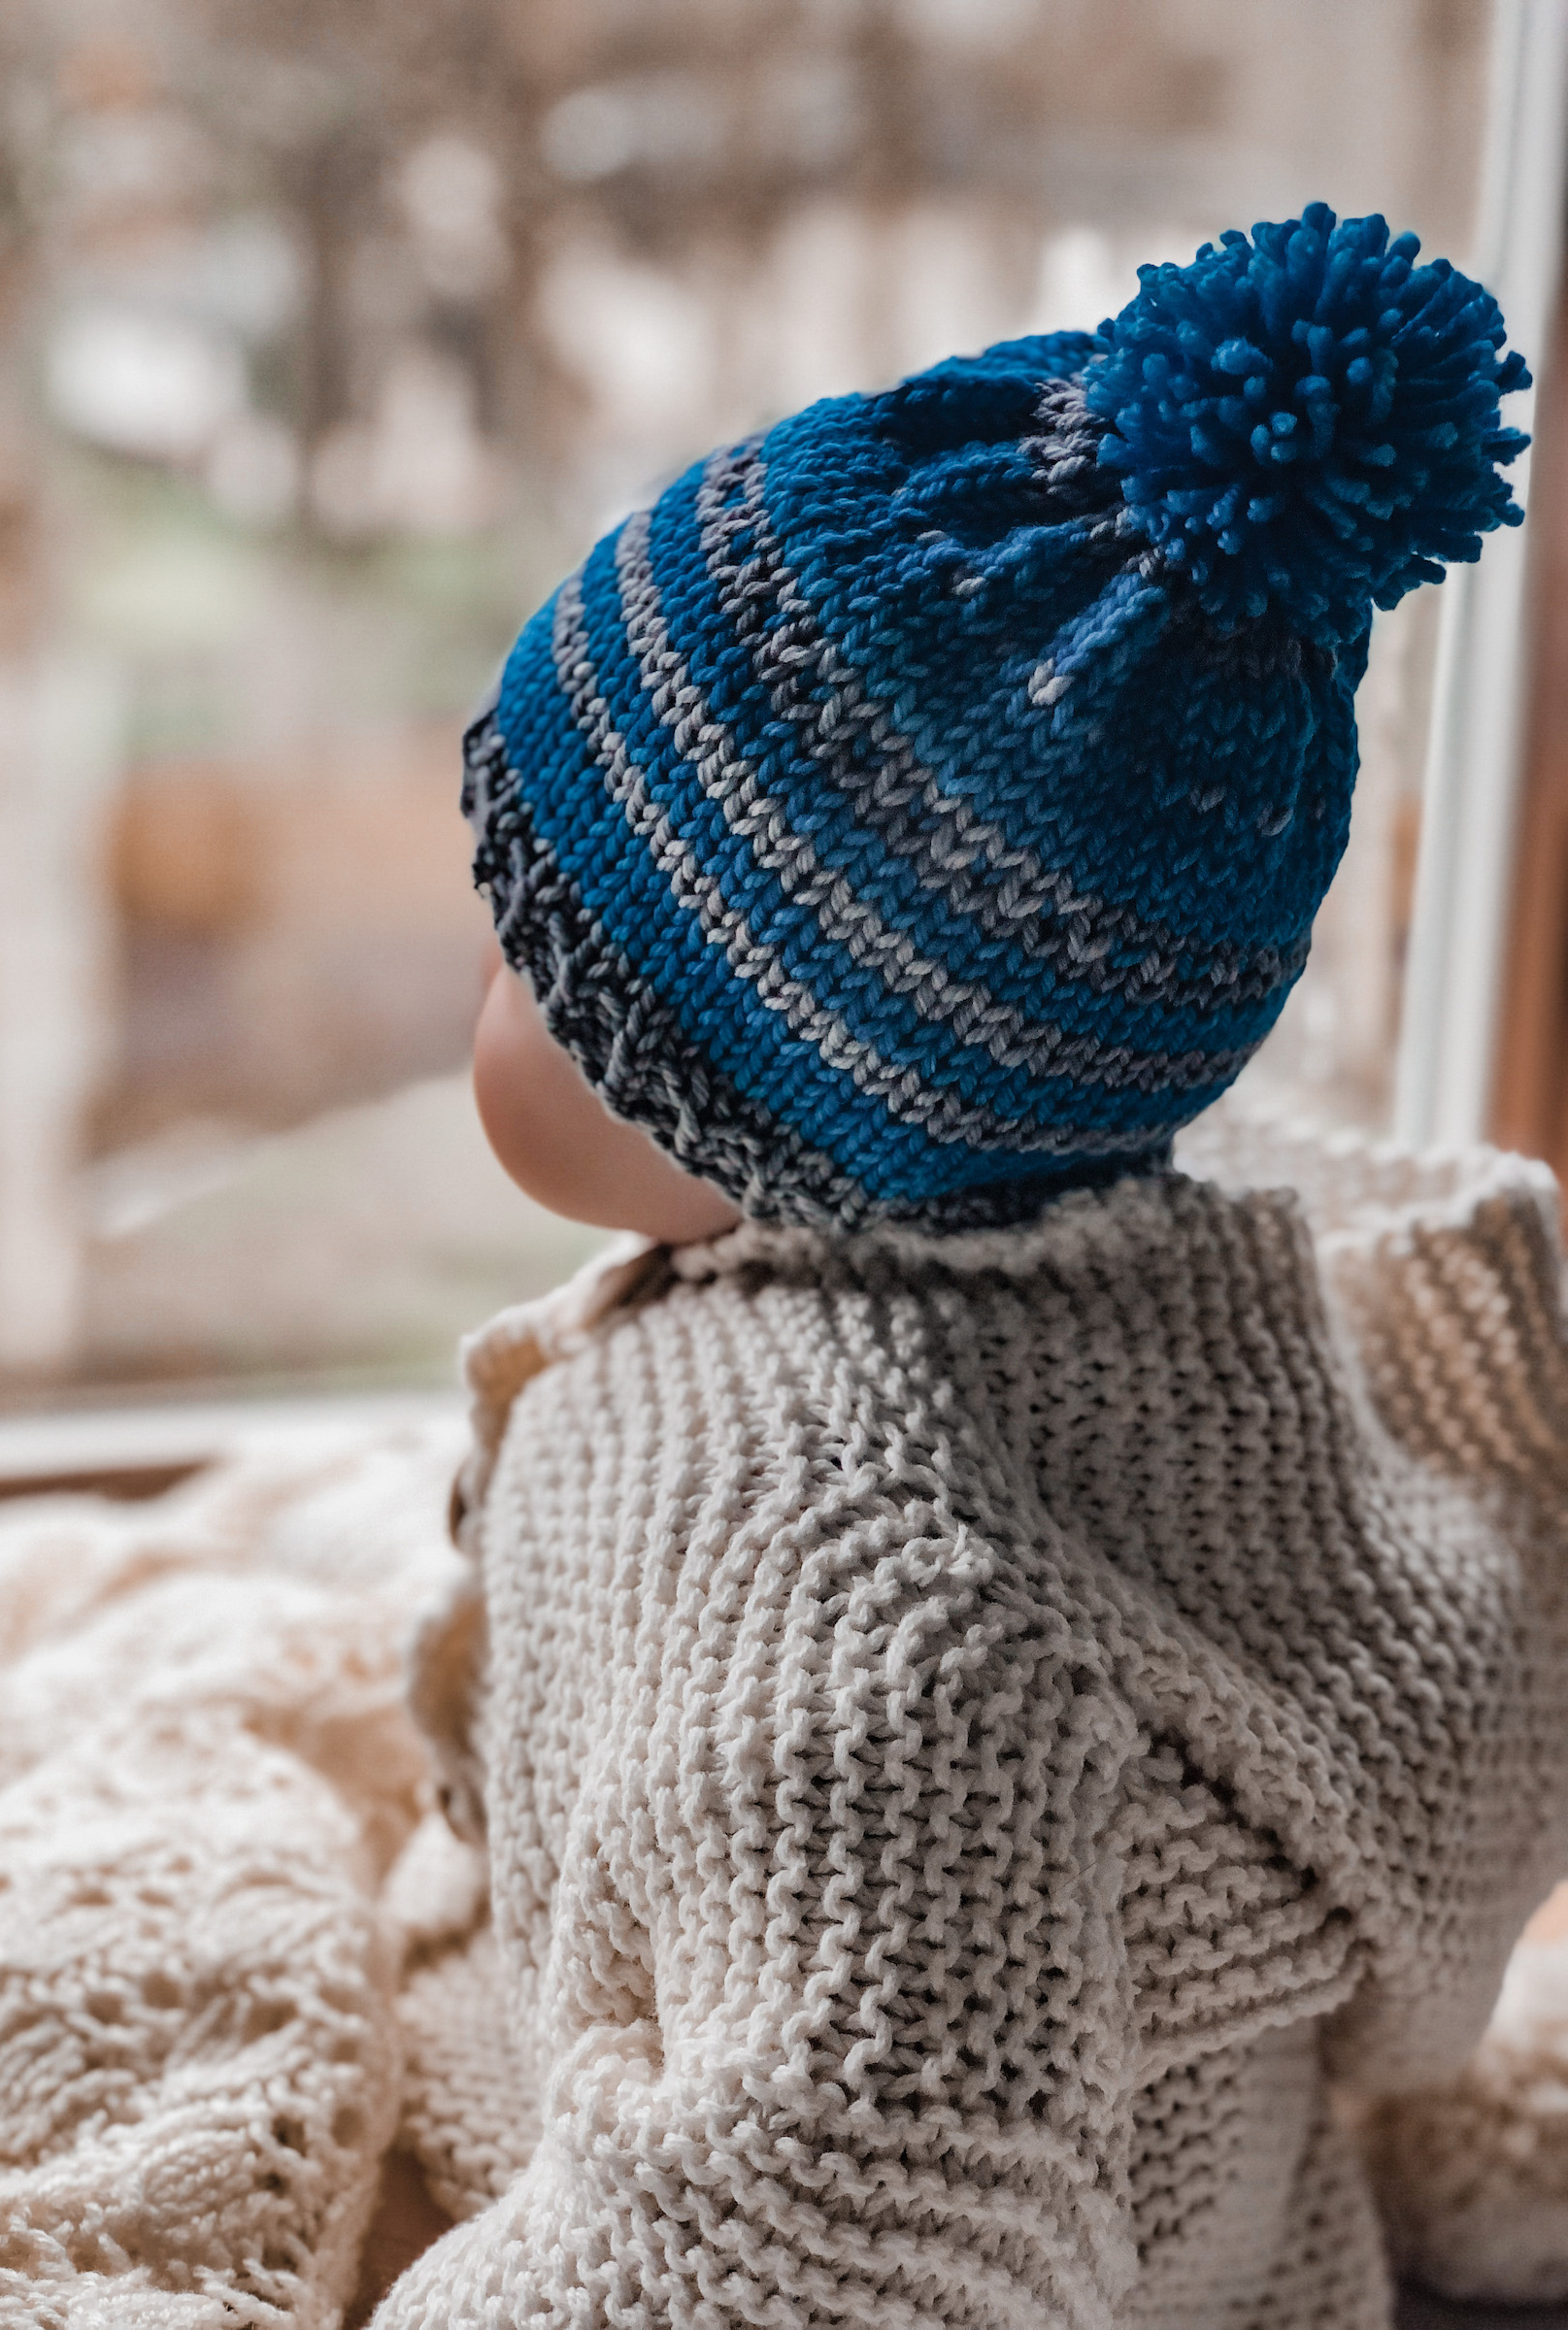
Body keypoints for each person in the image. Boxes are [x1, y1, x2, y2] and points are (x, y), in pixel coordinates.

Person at [372, 205, 1568, 2328]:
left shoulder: (825, 1574)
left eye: (536, 936)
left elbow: (842, 2208)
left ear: (755, 1090)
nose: (475, 937)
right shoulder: (1130, 1298)